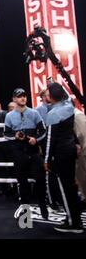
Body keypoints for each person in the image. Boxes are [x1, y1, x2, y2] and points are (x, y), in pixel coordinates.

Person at [44, 83, 83, 233]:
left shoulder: (53, 114)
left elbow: (50, 140)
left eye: (47, 94)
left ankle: (74, 223)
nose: (45, 96)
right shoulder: (69, 105)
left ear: (52, 97)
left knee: (65, 189)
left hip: (61, 154)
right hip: (71, 149)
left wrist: (46, 160)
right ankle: (74, 217)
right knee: (71, 187)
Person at [4, 88, 48, 220]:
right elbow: (6, 133)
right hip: (19, 152)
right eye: (19, 96)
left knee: (40, 180)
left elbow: (43, 131)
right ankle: (26, 212)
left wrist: (36, 139)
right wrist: (15, 135)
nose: (23, 98)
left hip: (33, 150)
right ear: (14, 99)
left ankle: (43, 207)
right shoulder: (9, 116)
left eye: (24, 96)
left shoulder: (34, 113)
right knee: (22, 182)